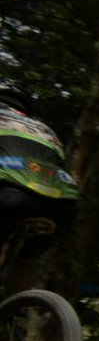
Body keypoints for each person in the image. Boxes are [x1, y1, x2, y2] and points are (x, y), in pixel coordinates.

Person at [0, 79, 78, 296]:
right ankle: (18, 315)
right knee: (26, 259)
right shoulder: (46, 130)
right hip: (62, 205)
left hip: (10, 194)